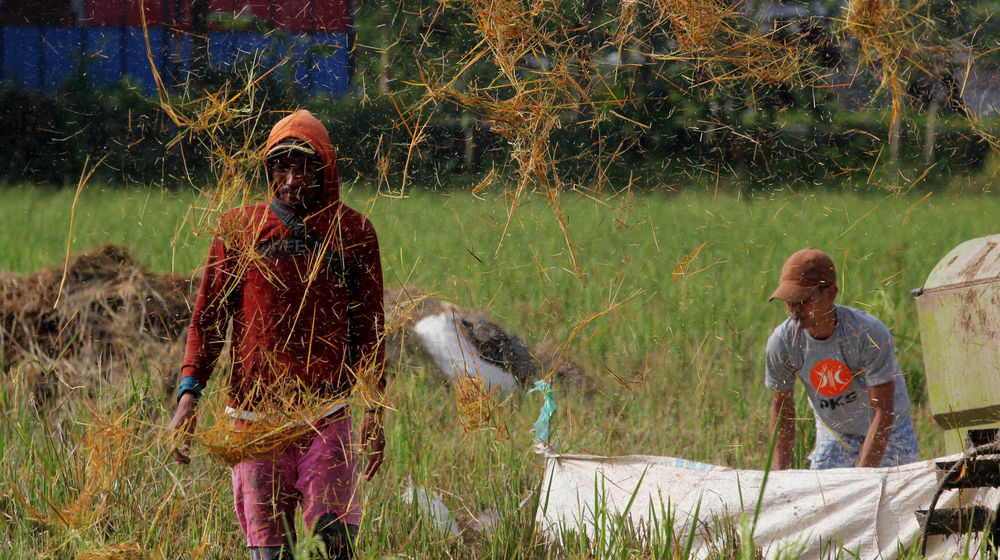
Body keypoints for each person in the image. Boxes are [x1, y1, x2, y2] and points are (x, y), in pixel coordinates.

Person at [166, 110, 386, 559]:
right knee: (270, 553)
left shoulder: (353, 233)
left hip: (326, 415)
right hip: (253, 423)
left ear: (324, 169)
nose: (291, 178)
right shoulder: (238, 229)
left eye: (304, 166)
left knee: (334, 544)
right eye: (281, 166)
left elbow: (370, 330)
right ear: (269, 170)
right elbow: (207, 320)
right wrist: (189, 396)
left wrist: (375, 411)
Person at [765, 248, 919, 470]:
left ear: (830, 293)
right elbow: (782, 411)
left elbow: (883, 412)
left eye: (803, 300)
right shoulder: (782, 343)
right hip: (836, 428)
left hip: (889, 425)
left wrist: (862, 478)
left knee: (895, 495)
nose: (794, 310)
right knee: (825, 496)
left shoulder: (868, 333)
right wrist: (777, 480)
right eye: (788, 301)